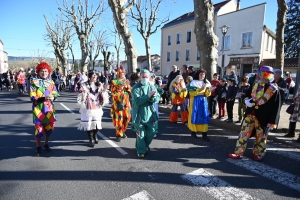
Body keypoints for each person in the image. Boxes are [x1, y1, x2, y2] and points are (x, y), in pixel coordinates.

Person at [228, 66, 280, 161]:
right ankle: (238, 153)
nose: (259, 77)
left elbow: (276, 107)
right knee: (243, 134)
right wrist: (246, 100)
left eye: (262, 75)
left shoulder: (273, 89)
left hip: (263, 117)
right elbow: (247, 96)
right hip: (250, 114)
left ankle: (259, 154)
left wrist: (273, 121)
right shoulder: (254, 85)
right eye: (259, 74)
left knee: (261, 137)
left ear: (267, 76)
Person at [30, 62, 59, 156]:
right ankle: (38, 146)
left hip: (49, 109)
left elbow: (55, 93)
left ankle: (46, 144)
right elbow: (32, 97)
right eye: (42, 71)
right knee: (39, 130)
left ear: (48, 72)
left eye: (46, 71)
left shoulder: (51, 82)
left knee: (49, 129)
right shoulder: (34, 83)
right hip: (38, 110)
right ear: (38, 72)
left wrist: (53, 97)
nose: (44, 73)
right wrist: (43, 98)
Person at [131, 69, 161, 158]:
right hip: (139, 116)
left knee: (152, 132)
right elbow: (137, 101)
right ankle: (140, 151)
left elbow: (157, 99)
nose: (144, 78)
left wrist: (154, 96)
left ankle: (144, 145)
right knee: (141, 135)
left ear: (149, 77)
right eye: (143, 77)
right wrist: (148, 96)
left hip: (150, 115)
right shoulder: (135, 88)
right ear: (140, 77)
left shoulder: (151, 86)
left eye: (146, 77)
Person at [77, 71, 109, 147]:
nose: (94, 76)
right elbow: (80, 93)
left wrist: (104, 90)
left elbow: (103, 94)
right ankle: (91, 138)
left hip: (97, 107)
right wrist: (83, 92)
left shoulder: (100, 84)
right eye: (93, 75)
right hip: (88, 107)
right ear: (89, 77)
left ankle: (95, 135)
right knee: (89, 123)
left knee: (97, 123)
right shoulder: (84, 85)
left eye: (95, 75)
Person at [187, 69, 215, 141]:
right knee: (195, 115)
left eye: (203, 74)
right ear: (198, 75)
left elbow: (207, 94)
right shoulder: (193, 83)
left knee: (204, 115)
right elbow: (191, 94)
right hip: (195, 101)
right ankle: (193, 133)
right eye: (201, 74)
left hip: (203, 101)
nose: (202, 76)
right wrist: (199, 90)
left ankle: (204, 134)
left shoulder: (206, 83)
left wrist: (209, 90)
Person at [110, 65, 132, 142]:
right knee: (119, 119)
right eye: (122, 73)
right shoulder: (114, 82)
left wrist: (128, 86)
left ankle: (123, 131)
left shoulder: (126, 81)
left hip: (126, 103)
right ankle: (118, 134)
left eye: (124, 73)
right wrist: (120, 93)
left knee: (127, 118)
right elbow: (113, 92)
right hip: (118, 103)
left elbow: (129, 91)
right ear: (119, 74)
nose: (124, 75)